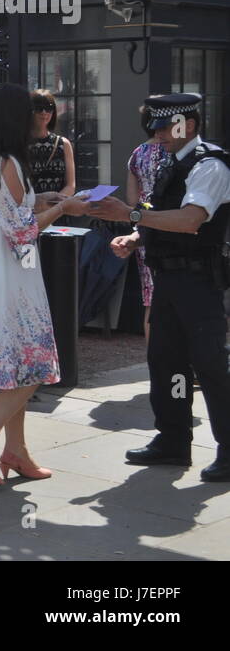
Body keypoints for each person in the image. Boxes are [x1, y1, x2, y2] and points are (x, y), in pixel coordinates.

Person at [91, 93, 230, 483]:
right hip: (168, 279)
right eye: (154, 129)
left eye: (164, 128)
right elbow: (158, 216)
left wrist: (132, 215)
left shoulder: (210, 166)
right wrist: (136, 236)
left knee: (211, 366)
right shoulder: (174, 163)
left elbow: (190, 220)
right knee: (168, 362)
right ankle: (173, 439)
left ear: (188, 125)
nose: (157, 136)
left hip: (198, 282)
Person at [0, 83, 88, 485]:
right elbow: (20, 230)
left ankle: (17, 450)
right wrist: (65, 206)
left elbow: (6, 209)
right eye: (30, 111)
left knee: (13, 357)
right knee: (30, 358)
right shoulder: (8, 161)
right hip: (6, 260)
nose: (37, 116)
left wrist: (42, 197)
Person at [117, 105, 170, 341]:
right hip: (173, 226)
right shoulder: (175, 152)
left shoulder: (137, 154)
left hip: (144, 229)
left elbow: (131, 200)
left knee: (151, 299)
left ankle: (153, 360)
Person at [27, 89, 76, 196]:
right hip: (29, 209)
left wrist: (53, 205)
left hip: (58, 209)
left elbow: (70, 186)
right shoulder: (20, 143)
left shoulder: (63, 144)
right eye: (39, 108)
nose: (44, 112)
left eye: (49, 108)